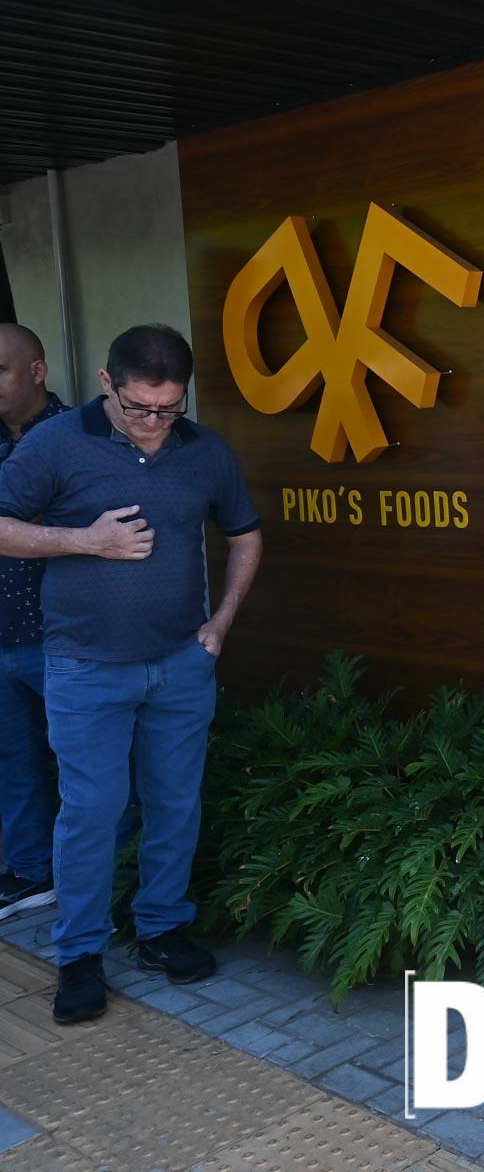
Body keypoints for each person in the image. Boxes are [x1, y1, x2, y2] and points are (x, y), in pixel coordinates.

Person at [0, 325, 263, 1025]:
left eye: (169, 408)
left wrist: (222, 621)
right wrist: (86, 540)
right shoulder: (55, 444)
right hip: (85, 668)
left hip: (180, 664)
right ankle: (80, 954)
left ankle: (162, 929)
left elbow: (245, 533)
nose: (153, 422)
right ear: (106, 383)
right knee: (92, 812)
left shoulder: (204, 449)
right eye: (139, 407)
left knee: (175, 804)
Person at [0, 325, 67, 923]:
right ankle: (30, 872)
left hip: (60, 636)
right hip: (1, 634)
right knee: (12, 760)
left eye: (0, 370)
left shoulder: (79, 436)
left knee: (87, 764)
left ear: (37, 371)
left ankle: (115, 876)